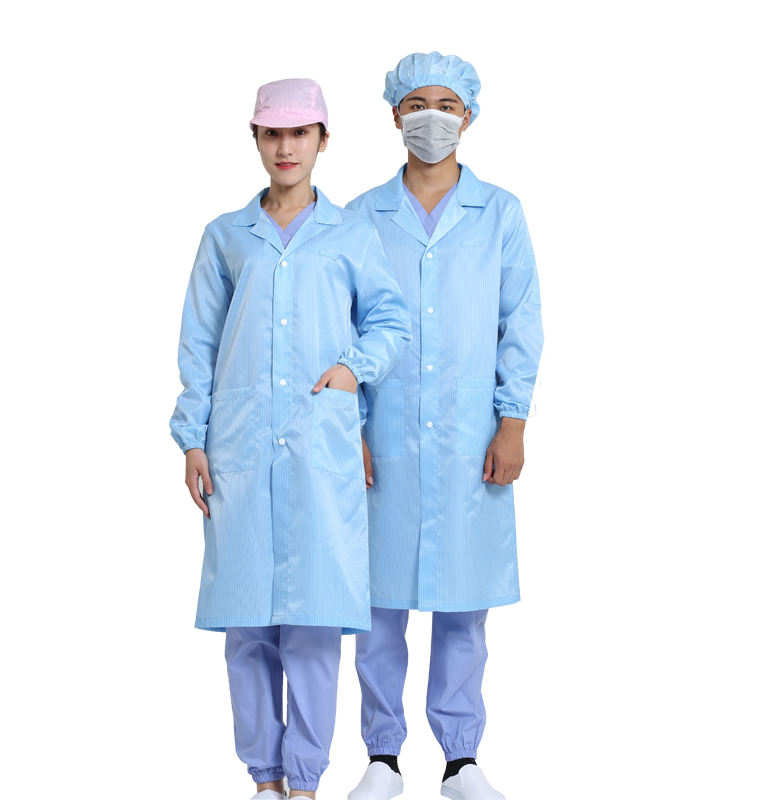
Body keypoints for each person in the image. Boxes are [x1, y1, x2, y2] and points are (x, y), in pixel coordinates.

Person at [170, 78, 411, 800]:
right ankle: (265, 780)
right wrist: (192, 439)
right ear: (255, 138)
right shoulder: (225, 236)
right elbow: (199, 344)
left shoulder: (351, 234)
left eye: (299, 133)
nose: (285, 147)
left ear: (322, 141)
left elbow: (390, 322)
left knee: (311, 625)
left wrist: (351, 371)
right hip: (239, 449)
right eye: (272, 133)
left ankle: (304, 782)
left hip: (318, 446)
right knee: (247, 628)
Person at [345, 53, 544, 800]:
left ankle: (461, 761)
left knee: (464, 603)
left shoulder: (501, 214)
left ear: (470, 116)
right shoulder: (360, 217)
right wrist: (350, 428)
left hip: (471, 437)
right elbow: (341, 329)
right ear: (394, 114)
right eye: (417, 103)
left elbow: (520, 323)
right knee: (376, 605)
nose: (432, 116)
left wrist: (512, 422)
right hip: (382, 435)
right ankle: (382, 759)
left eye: (447, 104)